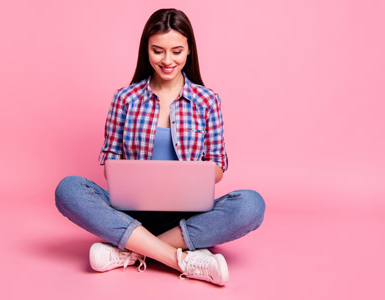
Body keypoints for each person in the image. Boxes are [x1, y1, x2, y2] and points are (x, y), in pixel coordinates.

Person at [54, 8, 265, 286]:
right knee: (68, 189)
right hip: (130, 213)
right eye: (158, 51)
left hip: (187, 218)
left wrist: (187, 175)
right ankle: (183, 260)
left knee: (251, 204)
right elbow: (110, 166)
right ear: (146, 50)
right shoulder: (125, 98)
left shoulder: (207, 100)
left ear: (189, 50)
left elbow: (217, 168)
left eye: (177, 51)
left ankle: (130, 251)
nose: (167, 60)